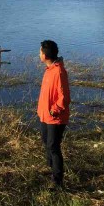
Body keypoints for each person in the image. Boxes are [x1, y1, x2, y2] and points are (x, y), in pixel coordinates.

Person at [37, 40, 71, 188]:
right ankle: (51, 169)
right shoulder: (49, 69)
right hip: (45, 115)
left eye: (40, 52)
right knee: (46, 142)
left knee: (53, 146)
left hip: (55, 118)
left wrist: (54, 110)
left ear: (44, 55)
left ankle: (57, 181)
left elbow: (64, 98)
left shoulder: (59, 71)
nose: (39, 54)